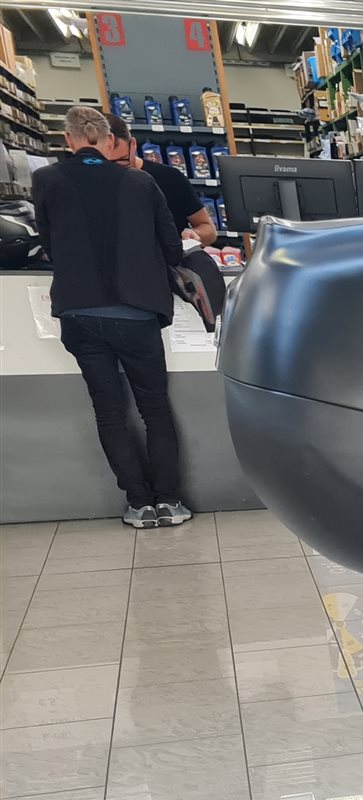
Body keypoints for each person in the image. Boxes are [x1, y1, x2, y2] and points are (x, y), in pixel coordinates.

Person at [29, 104, 192, 528]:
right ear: (108, 140)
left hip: (79, 312)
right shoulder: (140, 182)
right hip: (138, 312)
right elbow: (172, 248)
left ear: (68, 140)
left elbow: (49, 242)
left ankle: (139, 505)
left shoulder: (46, 180)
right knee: (155, 409)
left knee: (109, 413)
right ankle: (169, 502)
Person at [106, 113, 217, 248]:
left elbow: (208, 229)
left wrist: (196, 235)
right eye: (106, 164)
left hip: (168, 259)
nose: (114, 169)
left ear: (133, 145)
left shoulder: (170, 178)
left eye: (122, 161)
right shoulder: (91, 186)